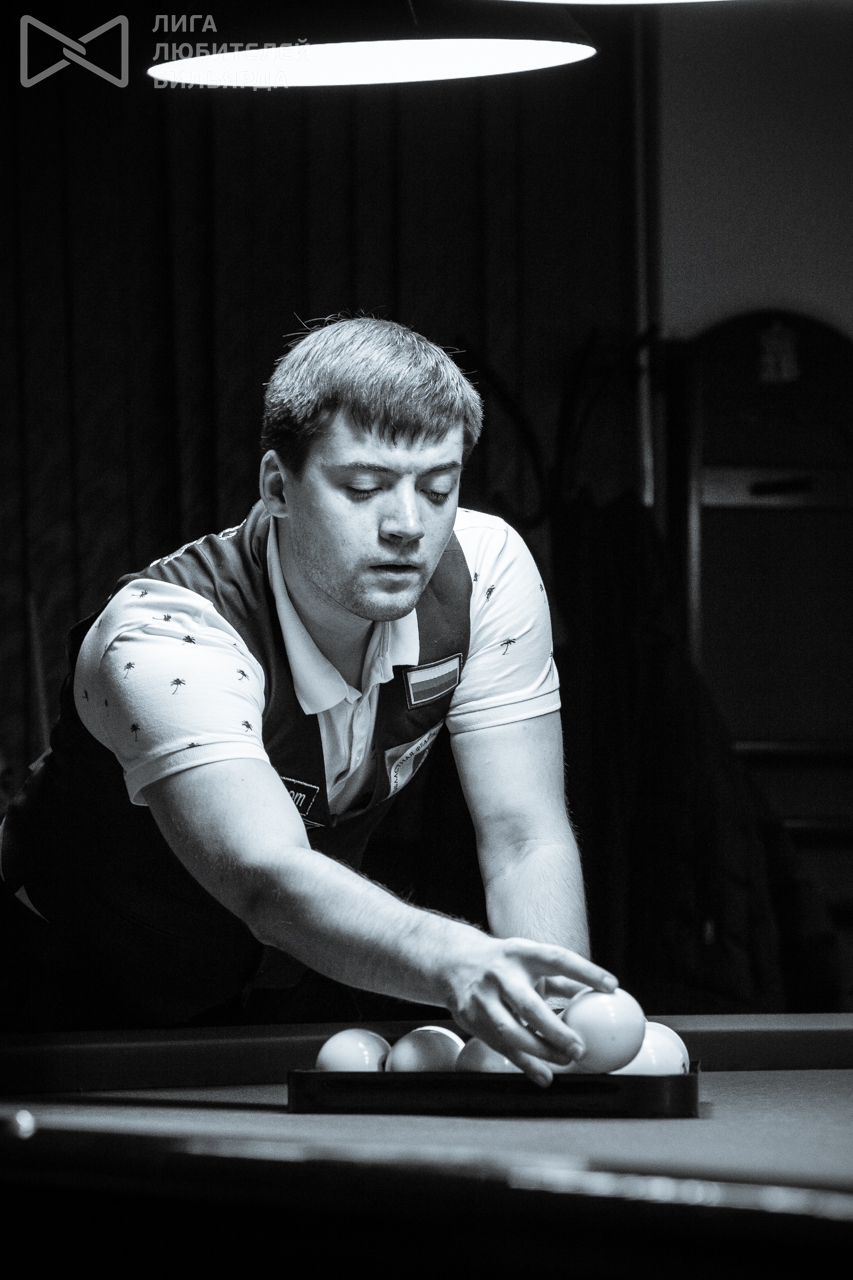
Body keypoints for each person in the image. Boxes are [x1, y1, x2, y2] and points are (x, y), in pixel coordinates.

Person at [1, 318, 615, 1083]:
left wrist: (558, 1023)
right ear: (276, 486)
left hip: (278, 985)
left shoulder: (485, 570)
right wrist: (458, 960)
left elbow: (524, 836)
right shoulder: (165, 634)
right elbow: (266, 876)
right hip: (59, 997)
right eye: (363, 487)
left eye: (437, 488)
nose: (407, 526)